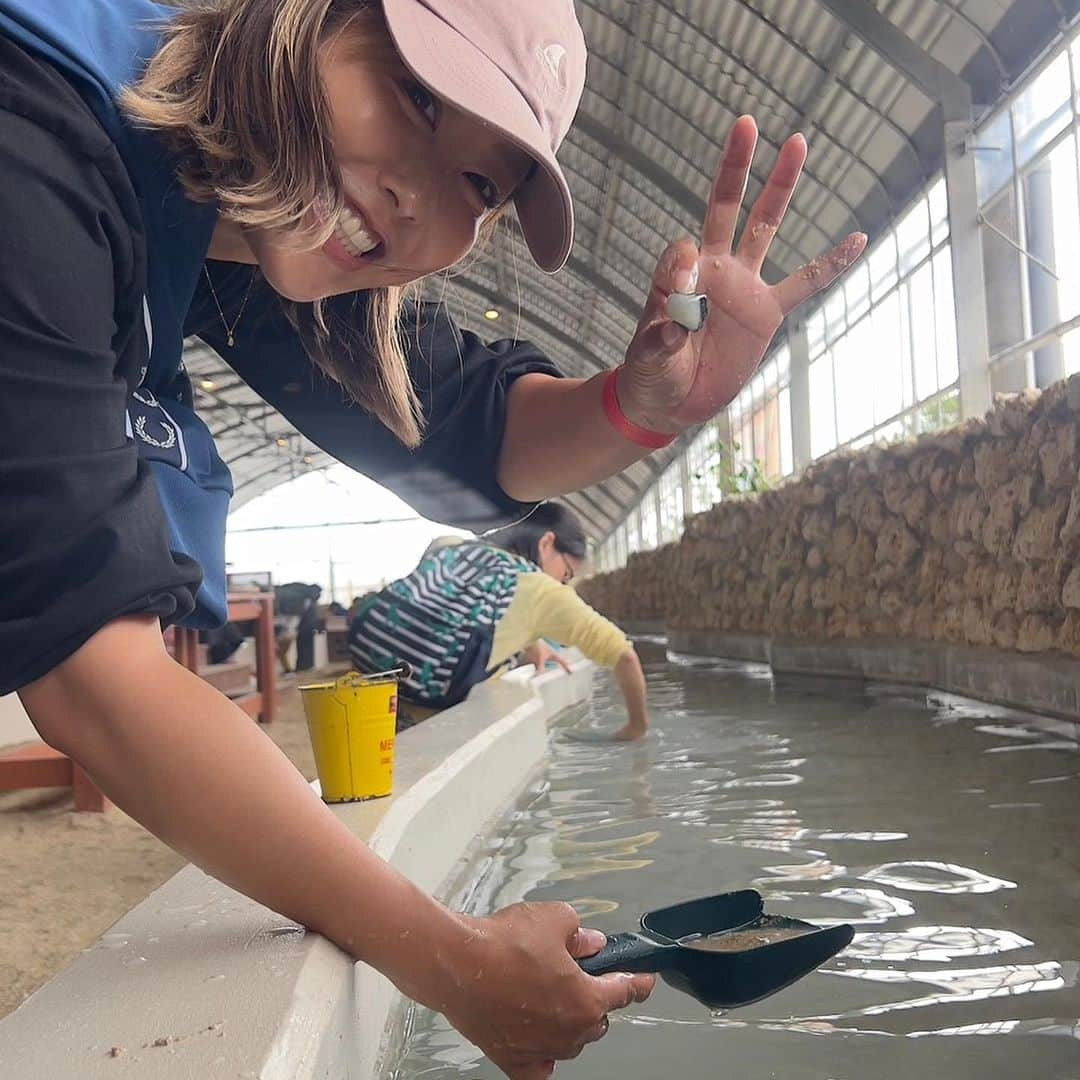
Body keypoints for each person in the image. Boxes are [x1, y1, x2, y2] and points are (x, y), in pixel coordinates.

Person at [0, 0, 864, 1073]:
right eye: (414, 94)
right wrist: (449, 960)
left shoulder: (229, 201)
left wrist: (647, 406)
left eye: (480, 184)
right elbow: (92, 675)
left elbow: (464, 421)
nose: (415, 191)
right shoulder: (36, 143)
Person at [350, 503, 650, 740]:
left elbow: (451, 607)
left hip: (371, 680)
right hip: (434, 706)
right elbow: (624, 656)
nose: (564, 582)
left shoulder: (449, 544)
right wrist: (636, 727)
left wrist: (530, 642)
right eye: (568, 572)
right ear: (547, 544)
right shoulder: (544, 591)